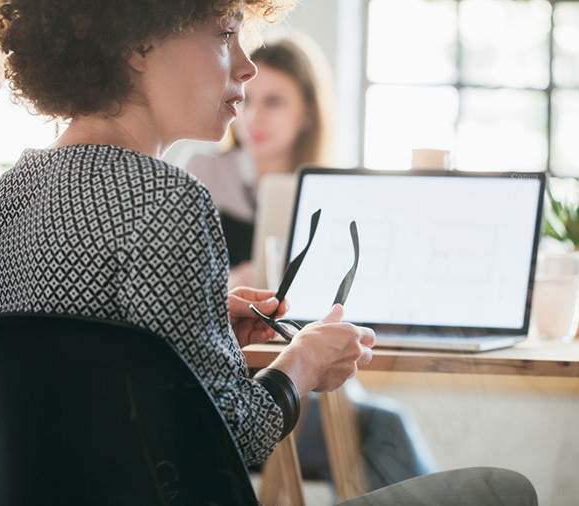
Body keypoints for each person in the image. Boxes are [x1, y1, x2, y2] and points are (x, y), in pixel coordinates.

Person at [0, 1, 538, 504]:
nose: (246, 66)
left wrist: (205, 319)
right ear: (136, 45)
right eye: (226, 35)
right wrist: (305, 361)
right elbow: (236, 435)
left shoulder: (10, 193)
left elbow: (90, 373)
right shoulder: (167, 199)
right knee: (504, 490)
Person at [183, 35, 436, 491]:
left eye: (275, 101)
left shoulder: (333, 192)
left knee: (378, 424)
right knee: (383, 429)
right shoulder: (204, 175)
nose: (254, 116)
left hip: (303, 376)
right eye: (249, 99)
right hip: (236, 381)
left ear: (308, 112)